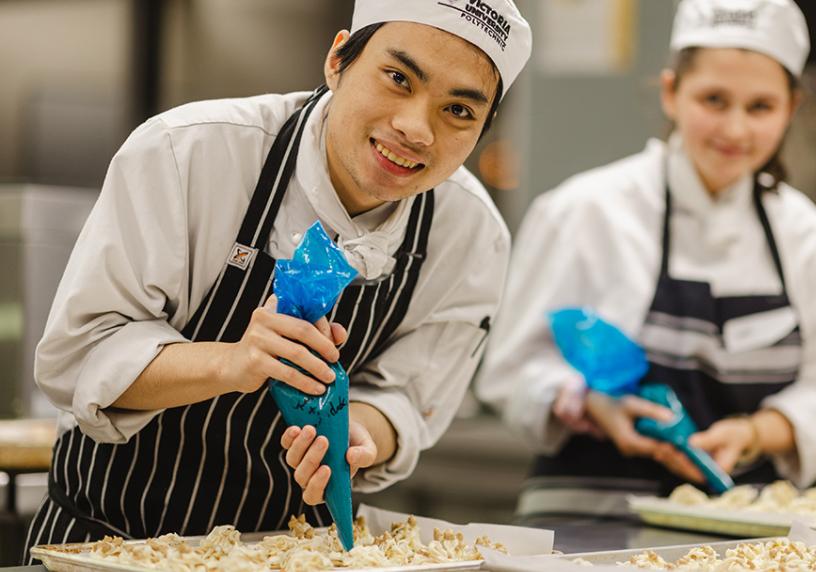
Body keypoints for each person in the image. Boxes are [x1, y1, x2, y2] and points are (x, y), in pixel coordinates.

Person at [24, 0, 532, 558]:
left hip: (300, 554)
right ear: (337, 59)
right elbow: (78, 356)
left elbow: (408, 397)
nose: (415, 128)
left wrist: (360, 434)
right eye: (397, 78)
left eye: (458, 110)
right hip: (113, 541)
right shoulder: (189, 152)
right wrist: (234, 361)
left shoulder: (469, 233)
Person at [476, 0, 816, 519]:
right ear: (671, 93)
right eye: (714, 99)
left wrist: (753, 434)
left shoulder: (806, 234)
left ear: (790, 109)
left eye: (760, 107)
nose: (735, 129)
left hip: (743, 529)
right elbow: (510, 370)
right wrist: (592, 404)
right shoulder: (586, 211)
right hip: (584, 523)